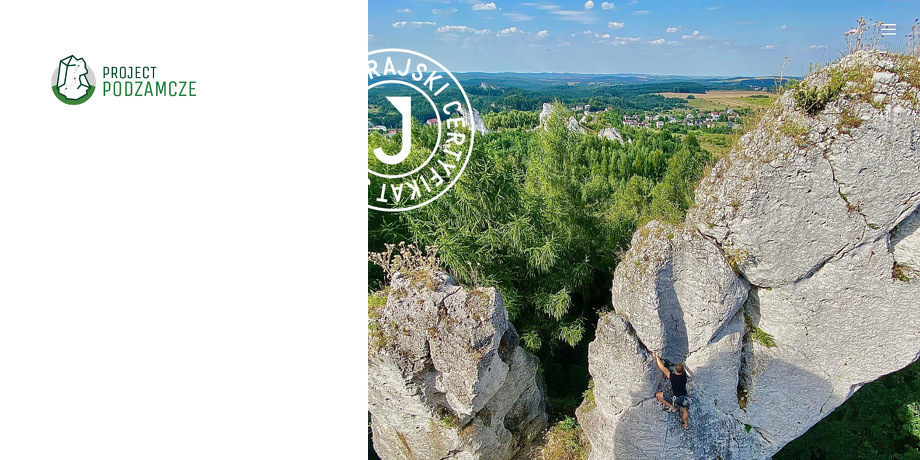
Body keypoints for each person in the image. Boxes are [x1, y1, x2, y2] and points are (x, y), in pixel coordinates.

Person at [653, 352, 690, 430]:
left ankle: (672, 407)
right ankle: (686, 425)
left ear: (675, 370)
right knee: (684, 409)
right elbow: (682, 371)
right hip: (685, 397)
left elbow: (662, 367)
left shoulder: (672, 377)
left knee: (657, 395)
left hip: (677, 398)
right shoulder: (684, 377)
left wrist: (657, 357)